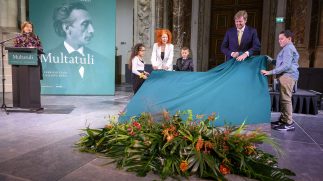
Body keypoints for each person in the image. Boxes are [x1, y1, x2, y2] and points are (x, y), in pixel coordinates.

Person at [44, 2, 108, 94]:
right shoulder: (47, 59)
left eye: (91, 24)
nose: (92, 30)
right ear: (66, 28)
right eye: (85, 24)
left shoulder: (102, 61)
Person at [261, 30, 299, 131]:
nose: (279, 41)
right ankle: (283, 120)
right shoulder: (287, 48)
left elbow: (286, 66)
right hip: (286, 76)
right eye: (279, 39)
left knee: (286, 100)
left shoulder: (288, 48)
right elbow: (283, 63)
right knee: (284, 99)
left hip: (288, 76)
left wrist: (269, 72)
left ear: (289, 39)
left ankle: (288, 123)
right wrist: (271, 60)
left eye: (282, 38)